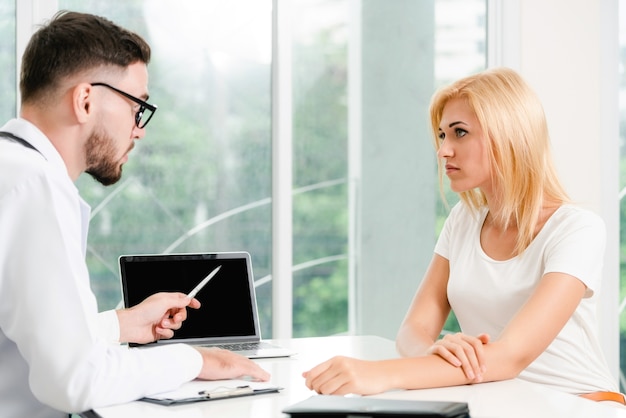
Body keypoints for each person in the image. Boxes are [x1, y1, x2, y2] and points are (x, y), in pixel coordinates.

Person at [0, 11, 269, 418]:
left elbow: (27, 332)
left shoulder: (13, 169)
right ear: (85, 100)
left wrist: (121, 325)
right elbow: (74, 382)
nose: (139, 129)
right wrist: (195, 361)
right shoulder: (34, 186)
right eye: (137, 107)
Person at [303, 67, 624, 405]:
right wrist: (435, 349)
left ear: (509, 135)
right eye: (442, 135)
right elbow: (413, 329)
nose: (444, 150)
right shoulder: (463, 220)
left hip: (579, 402)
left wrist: (380, 373)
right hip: (497, 399)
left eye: (459, 133)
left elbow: (510, 357)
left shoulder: (577, 229)